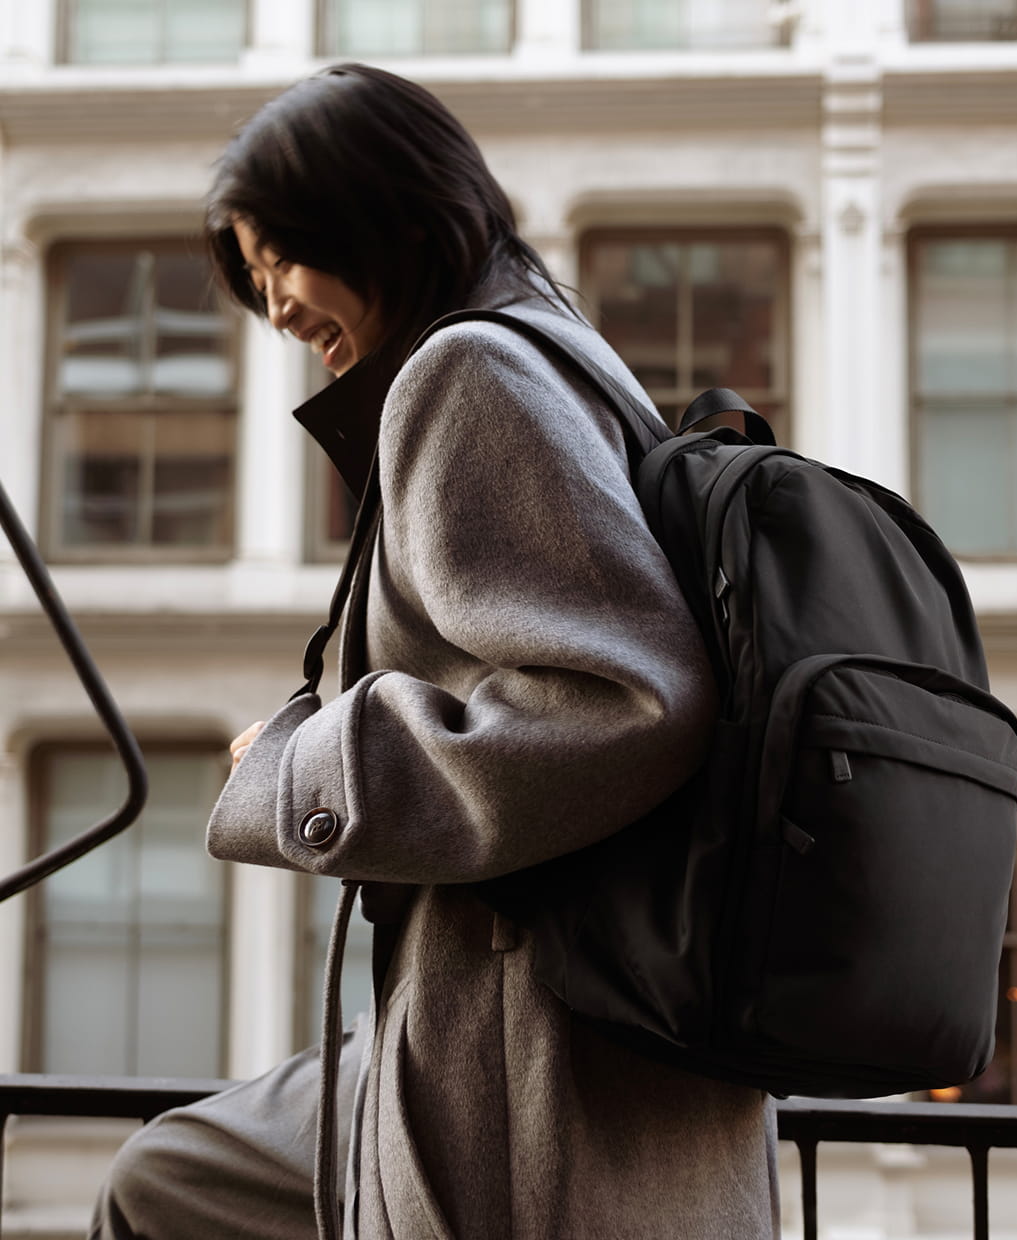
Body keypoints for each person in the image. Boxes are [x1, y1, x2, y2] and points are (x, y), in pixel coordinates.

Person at [91, 63, 780, 1239]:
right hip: (535, 1013)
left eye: (279, 264)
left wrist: (303, 762)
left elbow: (618, 698)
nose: (276, 311)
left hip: (528, 1039)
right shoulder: (554, 351)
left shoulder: (470, 371)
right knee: (171, 1178)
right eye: (255, 281)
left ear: (381, 218)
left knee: (166, 1186)